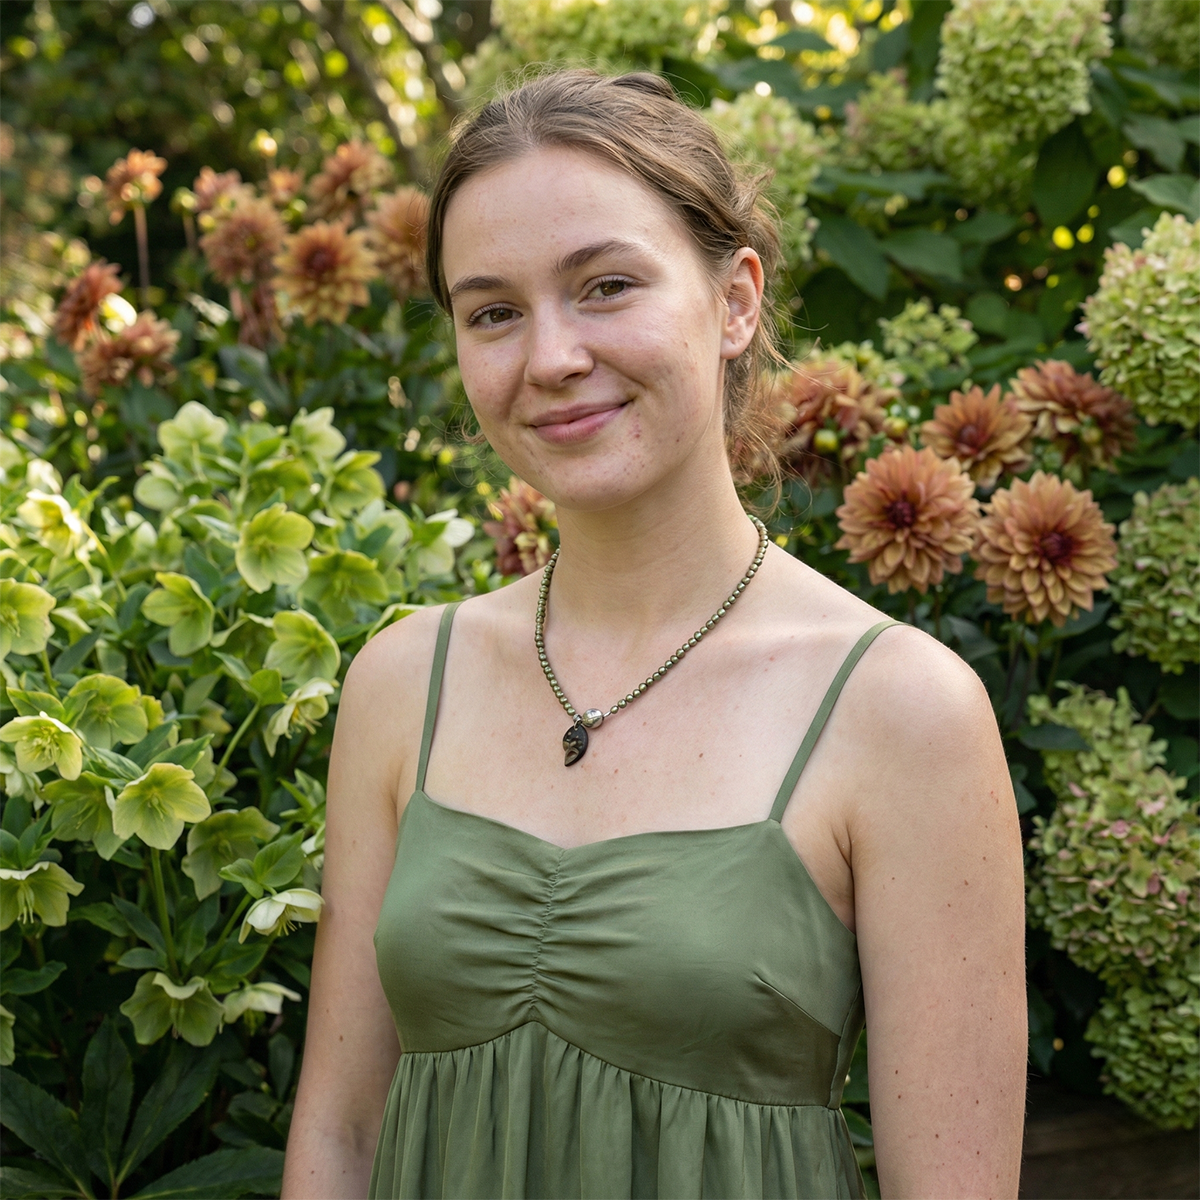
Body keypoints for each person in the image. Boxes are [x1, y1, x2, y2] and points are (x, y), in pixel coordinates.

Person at [282, 69, 1027, 1200]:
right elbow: (339, 1139)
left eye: (606, 286)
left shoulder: (901, 711)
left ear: (735, 302)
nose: (551, 359)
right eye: (493, 312)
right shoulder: (402, 682)